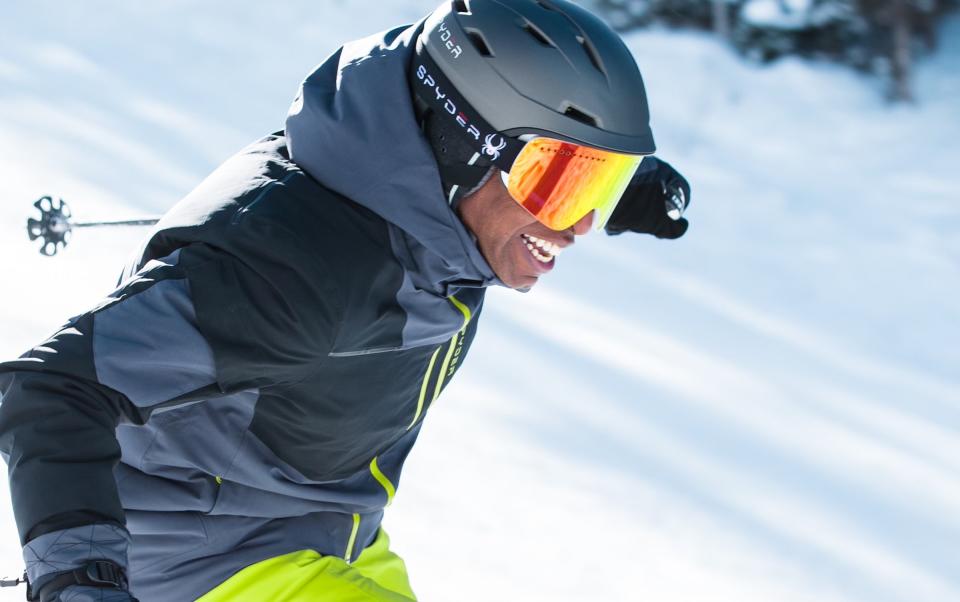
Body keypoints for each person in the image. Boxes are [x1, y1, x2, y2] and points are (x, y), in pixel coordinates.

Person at [0, 1, 691, 600]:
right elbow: (49, 392)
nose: (575, 229)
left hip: (319, 523)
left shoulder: (430, 186)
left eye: (591, 184)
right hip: (199, 557)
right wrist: (77, 583)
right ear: (465, 148)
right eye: (562, 187)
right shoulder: (297, 272)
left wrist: (621, 184)